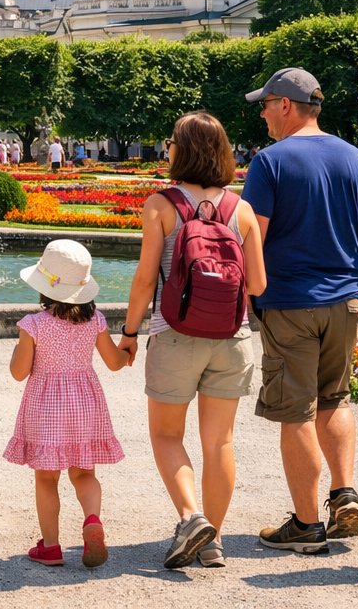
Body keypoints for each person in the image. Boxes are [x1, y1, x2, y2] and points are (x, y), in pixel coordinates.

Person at [242, 67, 358, 555]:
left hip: (289, 302)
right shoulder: (355, 159)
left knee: (296, 411)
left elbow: (251, 238)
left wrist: (247, 297)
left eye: (265, 103)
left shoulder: (270, 162)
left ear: (286, 104)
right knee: (337, 398)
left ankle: (306, 526)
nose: (262, 112)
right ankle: (343, 492)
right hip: (345, 302)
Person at [117, 112, 268, 570]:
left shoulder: (161, 205)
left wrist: (127, 334)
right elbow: (257, 285)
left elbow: (146, 280)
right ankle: (213, 541)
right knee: (219, 442)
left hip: (175, 335)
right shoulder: (240, 210)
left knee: (166, 435)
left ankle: (190, 517)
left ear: (181, 150)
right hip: (232, 337)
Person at [4, 239, 128, 568]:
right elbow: (114, 363)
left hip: (46, 407)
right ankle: (91, 520)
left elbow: (19, 372)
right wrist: (128, 351)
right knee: (84, 473)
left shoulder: (33, 325)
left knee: (47, 479)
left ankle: (51, 547)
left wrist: (19, 348)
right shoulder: (96, 320)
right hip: (86, 404)